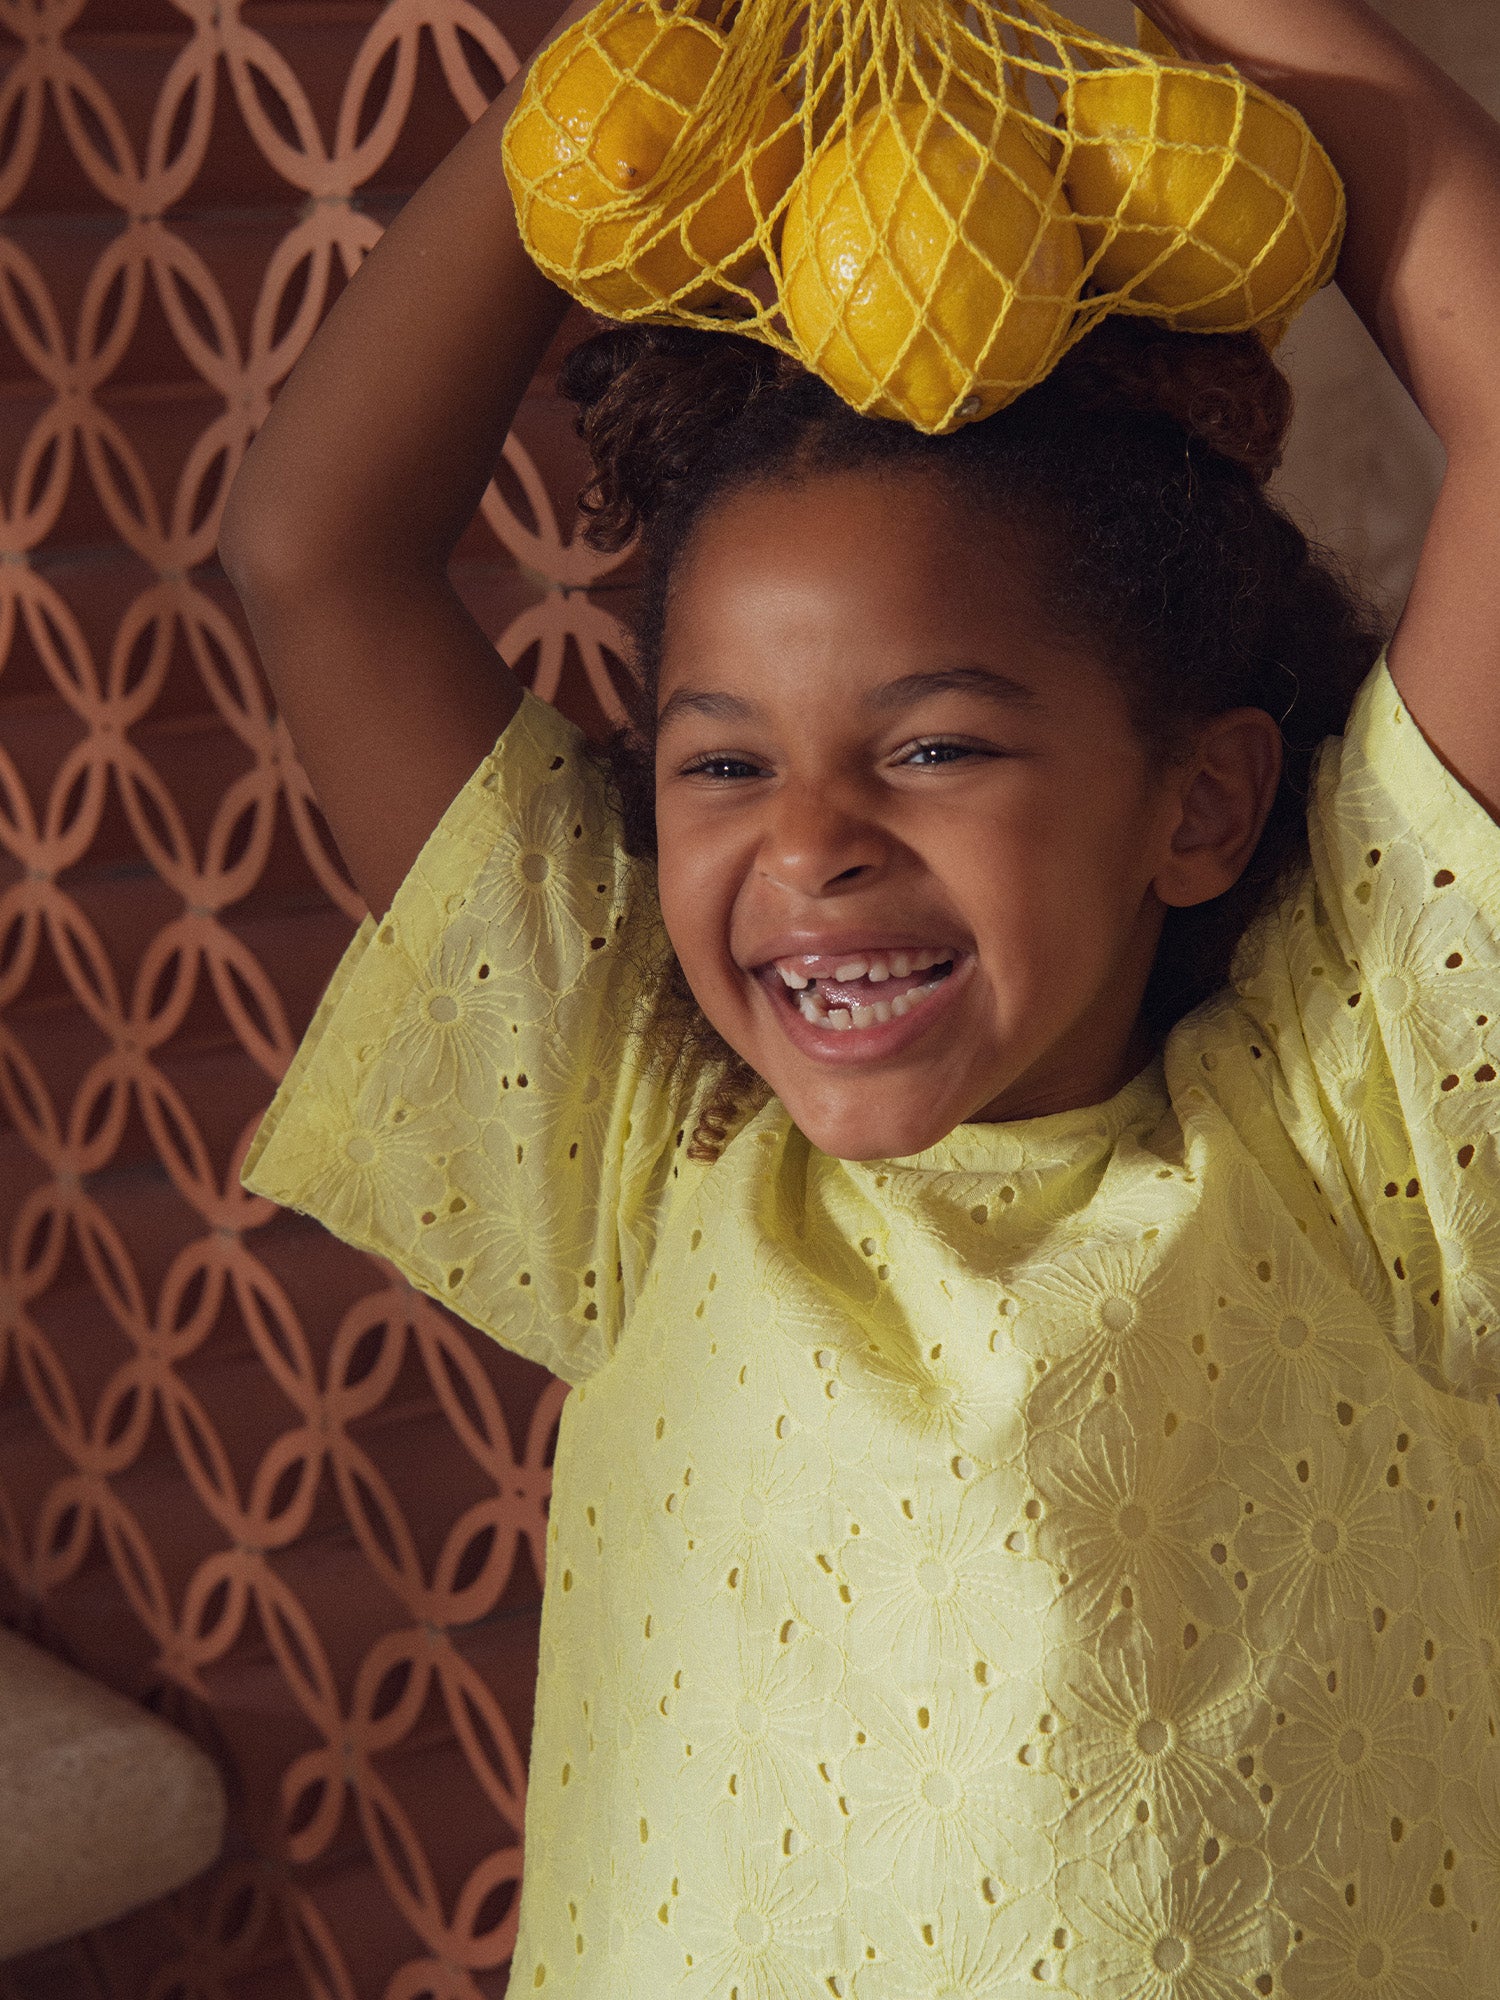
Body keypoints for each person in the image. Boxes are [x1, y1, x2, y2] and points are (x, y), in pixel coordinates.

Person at [218, 0, 1500, 1990]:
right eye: (723, 760)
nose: (809, 843)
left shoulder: (1361, 1127)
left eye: (934, 748)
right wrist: (637, 69)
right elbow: (312, 553)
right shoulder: (641, 1135)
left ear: (1201, 800)